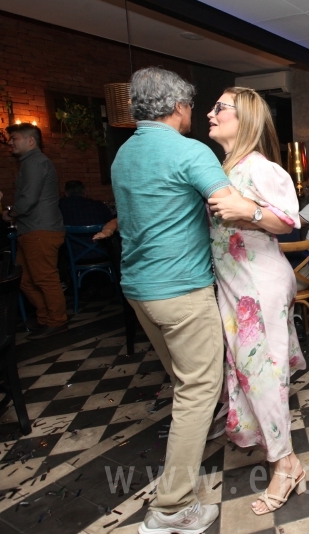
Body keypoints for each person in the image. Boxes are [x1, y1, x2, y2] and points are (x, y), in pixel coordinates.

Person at [112, 67, 238, 534]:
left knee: (186, 379)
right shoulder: (190, 151)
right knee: (197, 390)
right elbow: (229, 205)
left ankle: (209, 423)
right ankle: (173, 508)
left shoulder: (124, 153)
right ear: (178, 106)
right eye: (191, 105)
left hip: (138, 290)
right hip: (181, 290)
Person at [205, 87, 307, 516]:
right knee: (248, 373)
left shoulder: (260, 168)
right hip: (236, 285)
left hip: (258, 286)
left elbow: (290, 220)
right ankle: (274, 448)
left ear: (243, 119)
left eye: (219, 108)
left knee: (260, 375)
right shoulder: (224, 167)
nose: (209, 114)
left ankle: (286, 465)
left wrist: (247, 210)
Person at [2, 124, 68, 340]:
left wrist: (10, 214)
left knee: (44, 279)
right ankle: (45, 318)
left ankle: (57, 321)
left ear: (31, 141)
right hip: (31, 230)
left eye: (14, 138)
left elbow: (28, 200)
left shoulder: (35, 162)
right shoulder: (30, 163)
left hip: (41, 230)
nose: (10, 142)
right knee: (24, 280)